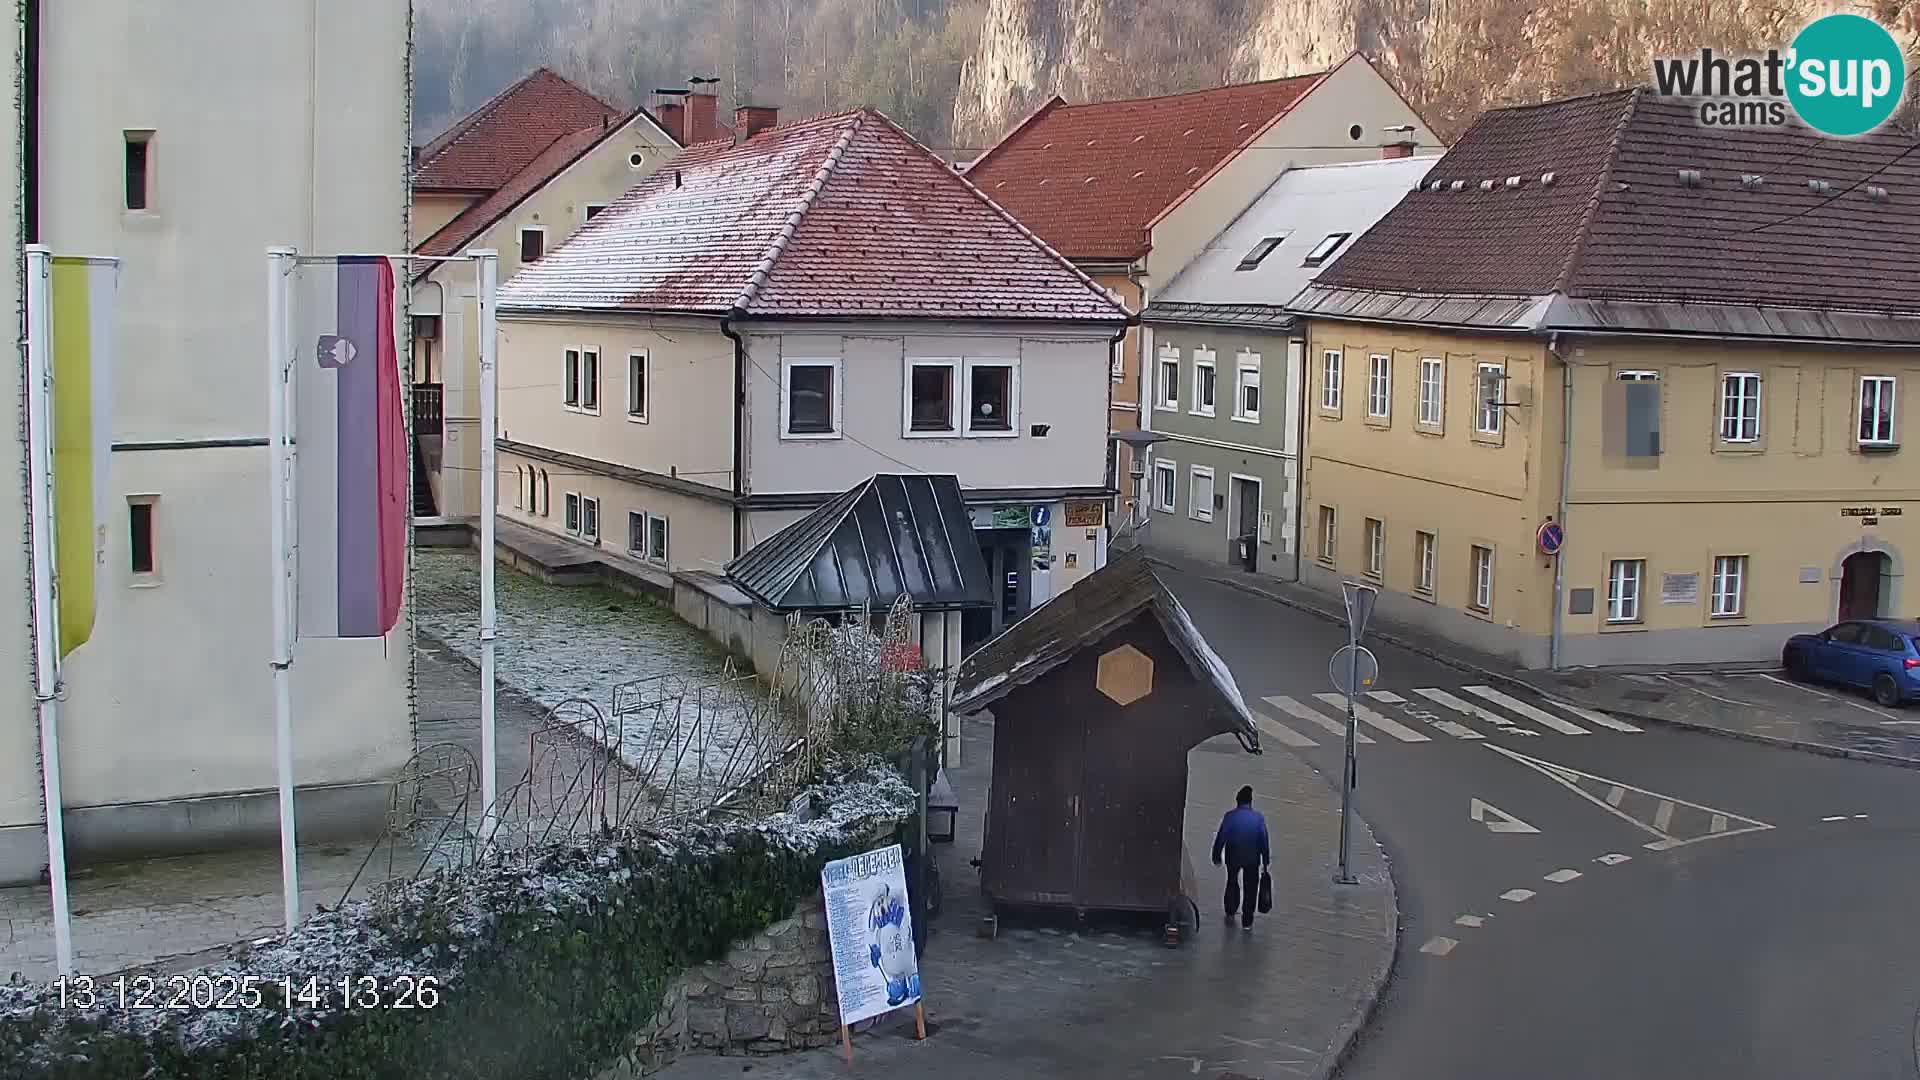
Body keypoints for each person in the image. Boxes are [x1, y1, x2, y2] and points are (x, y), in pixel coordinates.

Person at [1211, 785, 1270, 930]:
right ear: (1250, 802)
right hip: (1252, 858)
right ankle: (1247, 921)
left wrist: (1216, 855)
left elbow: (1221, 837)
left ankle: (1230, 909)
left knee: (1232, 881)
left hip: (1233, 855)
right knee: (1250, 888)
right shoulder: (1258, 819)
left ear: (1237, 801)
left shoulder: (1230, 817)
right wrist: (1265, 860)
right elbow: (1263, 840)